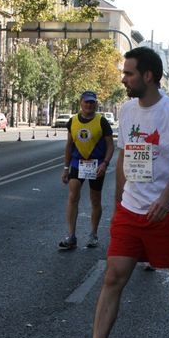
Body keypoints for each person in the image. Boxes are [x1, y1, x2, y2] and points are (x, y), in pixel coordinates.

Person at [61, 47, 169, 338]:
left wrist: (165, 199)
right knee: (113, 277)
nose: (123, 79)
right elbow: (124, 157)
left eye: (128, 73)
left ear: (148, 76)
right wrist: (119, 202)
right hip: (131, 212)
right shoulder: (125, 111)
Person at [58, 90, 114, 250]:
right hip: (77, 164)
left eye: (92, 102)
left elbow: (110, 145)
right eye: (86, 102)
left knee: (95, 199)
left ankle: (93, 234)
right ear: (81, 103)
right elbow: (69, 145)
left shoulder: (102, 122)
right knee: (73, 196)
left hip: (96, 165)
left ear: (95, 104)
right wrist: (66, 168)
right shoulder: (73, 121)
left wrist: (105, 163)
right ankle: (71, 235)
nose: (89, 105)